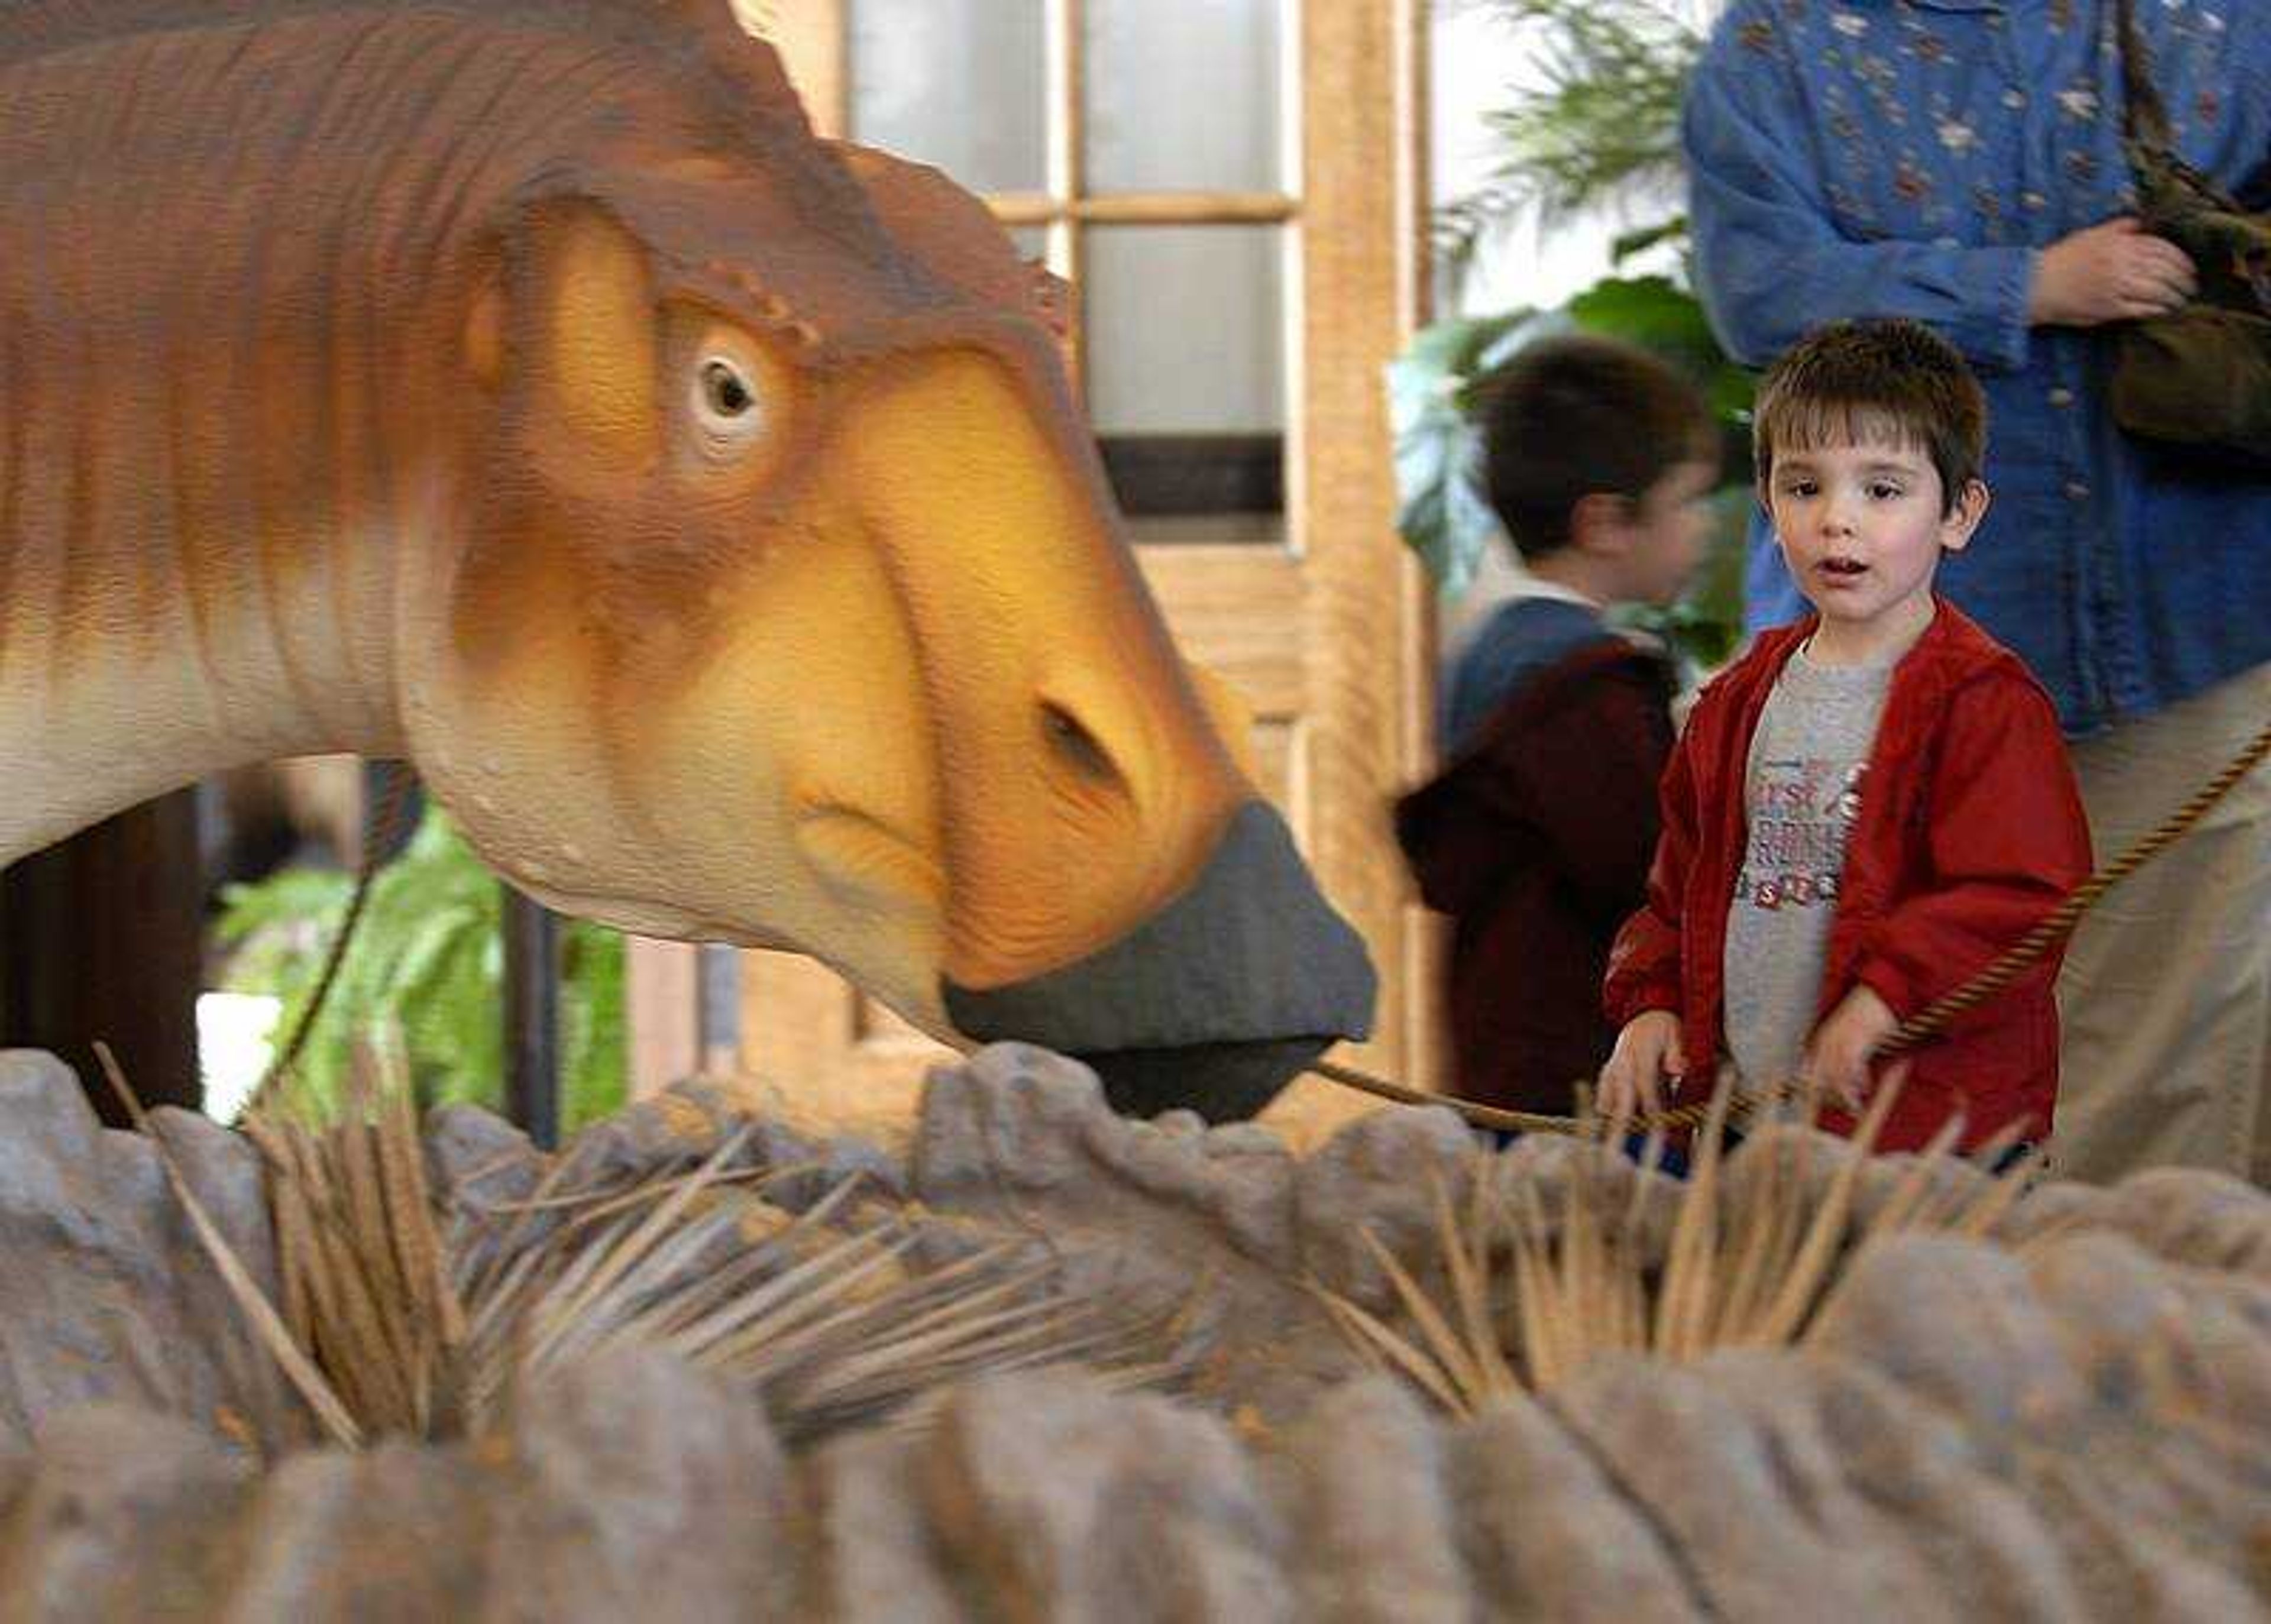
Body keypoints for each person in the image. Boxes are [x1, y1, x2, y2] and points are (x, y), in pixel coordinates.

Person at [1680, 0, 2271, 1181]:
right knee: (1856, 1078)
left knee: (2178, 1089)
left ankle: (2134, 1356)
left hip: (2196, 629)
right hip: (1880, 680)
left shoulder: (2223, 18)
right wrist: (2026, 286)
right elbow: (1760, 290)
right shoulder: (1776, 45)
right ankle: (1882, 1352)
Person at [1599, 319, 2094, 1155]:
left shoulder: (1984, 701)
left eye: (1884, 490)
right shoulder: (1737, 700)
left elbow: (2018, 898)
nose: (1838, 521)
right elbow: (1676, 890)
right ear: (1768, 504)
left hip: (1930, 1135)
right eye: (1804, 487)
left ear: (1959, 513)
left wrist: (1883, 1001)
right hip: (1751, 1123)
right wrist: (1650, 1003)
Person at [1397, 334, 1718, 1118]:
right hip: (1578, 1067)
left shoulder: (1490, 651)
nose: (1705, 529)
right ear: (1605, 522)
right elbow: (1648, 866)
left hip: (1498, 1046)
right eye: (1688, 503)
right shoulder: (1585, 687)